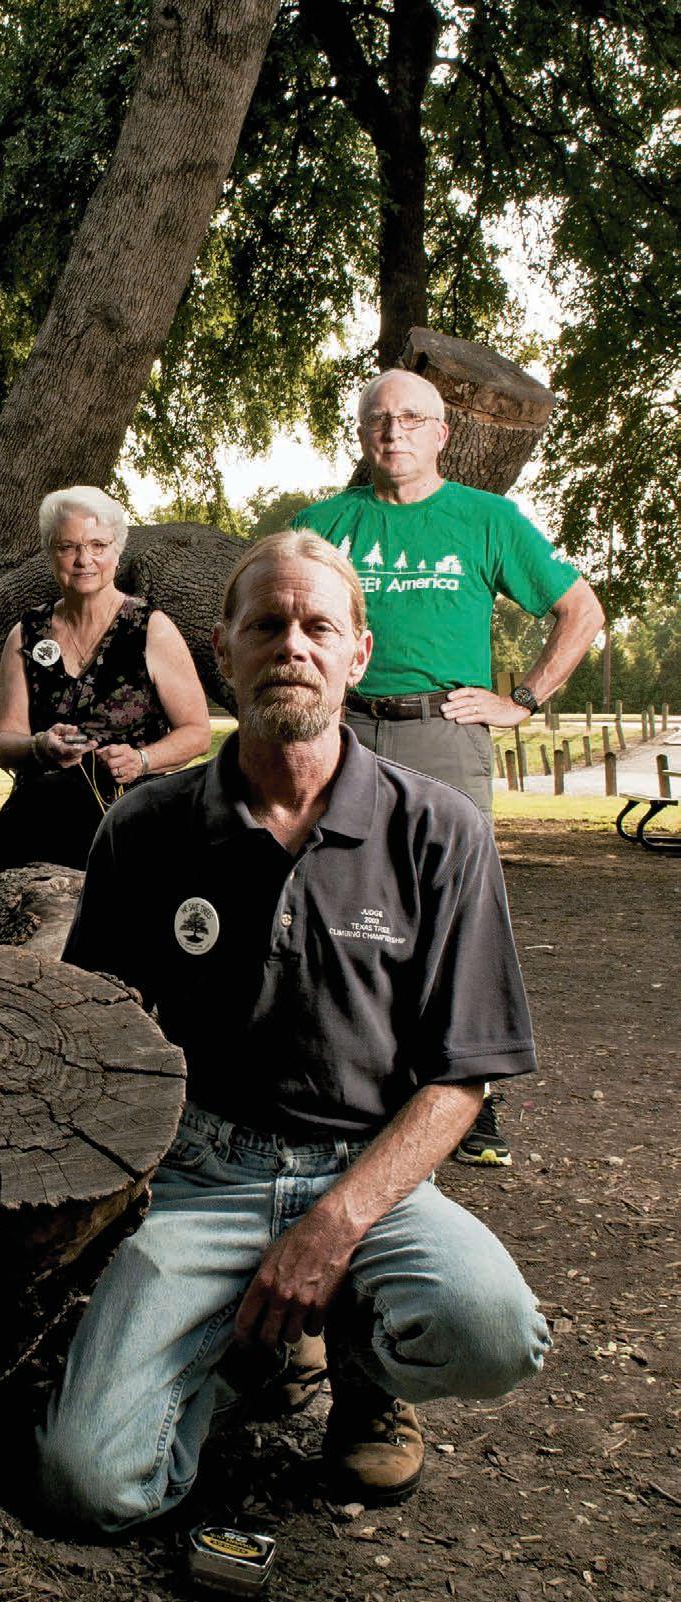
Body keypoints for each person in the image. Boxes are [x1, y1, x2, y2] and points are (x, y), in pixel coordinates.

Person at [35, 531, 549, 1530]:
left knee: (495, 1333)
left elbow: (461, 1080)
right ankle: (244, 1354)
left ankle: (361, 1364)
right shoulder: (145, 827)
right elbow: (94, 1043)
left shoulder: (439, 829)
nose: (292, 645)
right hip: (198, 1174)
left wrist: (336, 1222)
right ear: (222, 651)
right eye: (266, 625)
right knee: (85, 1484)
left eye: (318, 625)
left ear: (358, 653)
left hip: (370, 1170)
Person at [293, 369, 604, 1168]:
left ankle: (471, 1089)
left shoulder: (487, 518)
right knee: (335, 897)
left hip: (443, 730)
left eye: (411, 417)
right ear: (362, 433)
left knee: (454, 903)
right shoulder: (322, 525)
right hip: (342, 731)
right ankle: (344, 1081)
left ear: (441, 434)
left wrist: (523, 699)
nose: (392, 430)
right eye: (378, 417)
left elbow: (581, 608)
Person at [0, 486, 209, 939]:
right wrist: (40, 746)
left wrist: (142, 759)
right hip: (40, 812)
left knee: (64, 793)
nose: (84, 559)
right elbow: (4, 742)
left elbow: (197, 732)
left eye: (97, 546)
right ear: (51, 554)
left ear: (117, 551)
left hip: (127, 810)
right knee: (55, 793)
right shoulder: (27, 634)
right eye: (68, 547)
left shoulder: (152, 629)